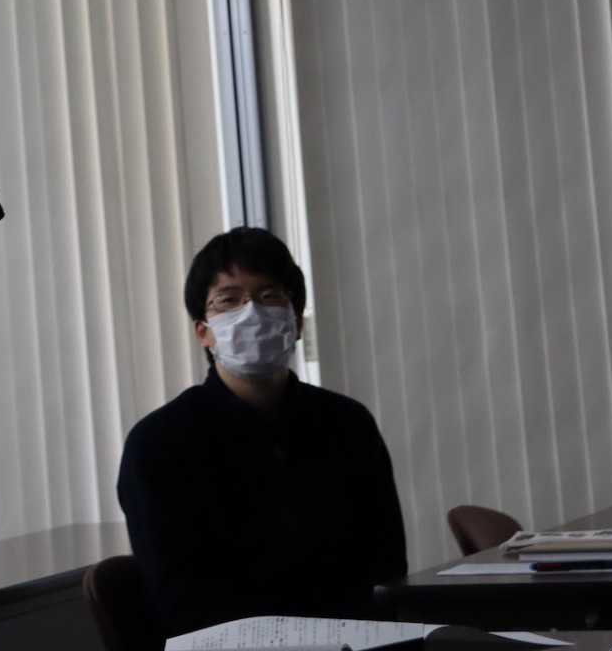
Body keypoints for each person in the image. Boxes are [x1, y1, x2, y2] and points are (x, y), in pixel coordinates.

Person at [116, 228, 407, 638]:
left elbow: (384, 565)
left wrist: (349, 636)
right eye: (228, 299)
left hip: (355, 642)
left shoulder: (348, 424)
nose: (251, 311)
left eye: (270, 296)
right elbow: (184, 599)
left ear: (296, 322)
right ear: (203, 331)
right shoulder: (159, 444)